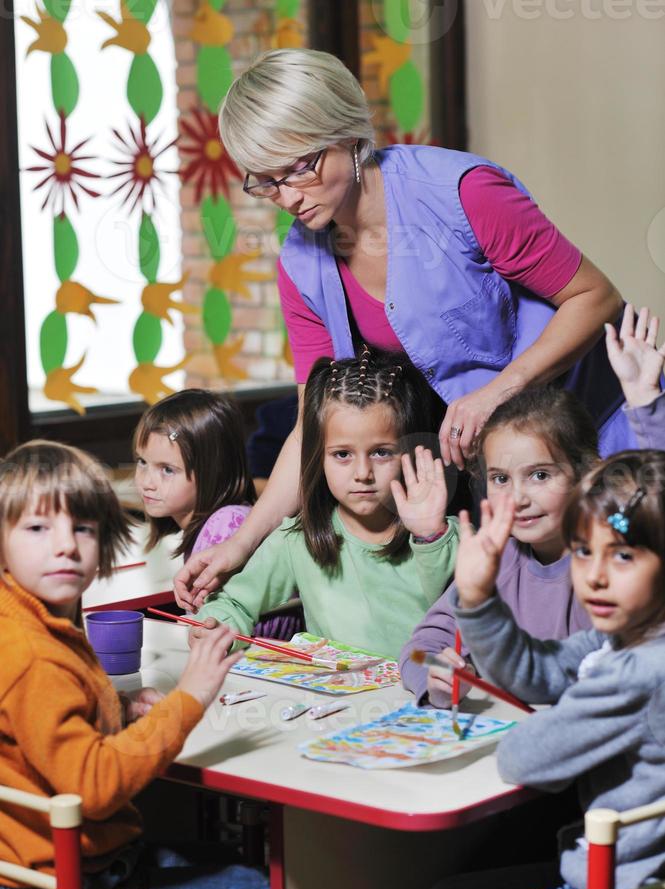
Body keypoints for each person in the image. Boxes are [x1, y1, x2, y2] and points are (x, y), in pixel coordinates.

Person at [175, 46, 625, 611]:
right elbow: (310, 427)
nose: (288, 196)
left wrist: (498, 391)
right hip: (508, 460)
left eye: (300, 167)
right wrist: (240, 545)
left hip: (601, 422)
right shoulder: (301, 261)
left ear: (346, 132)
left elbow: (595, 296)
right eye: (266, 181)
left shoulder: (464, 194)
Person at [376, 448, 665, 889]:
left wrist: (566, 712)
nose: (596, 576)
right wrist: (477, 595)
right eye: (583, 552)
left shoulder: (635, 672)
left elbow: (523, 758)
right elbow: (534, 672)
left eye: (622, 556)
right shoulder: (623, 642)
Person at [0, 440, 270, 889]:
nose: (66, 547)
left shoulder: (21, 621)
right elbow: (95, 787)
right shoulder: (34, 655)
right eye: (38, 529)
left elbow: (40, 725)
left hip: (39, 876)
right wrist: (189, 695)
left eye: (83, 528)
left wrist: (117, 711)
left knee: (234, 861)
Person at [401, 303, 665, 707]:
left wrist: (647, 405)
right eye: (500, 479)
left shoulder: (613, 553)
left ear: (585, 475)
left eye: (540, 475)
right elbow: (420, 645)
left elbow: (658, 501)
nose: (518, 498)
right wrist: (436, 673)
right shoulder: (499, 555)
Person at [196, 351, 459, 660]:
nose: (362, 474)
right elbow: (234, 604)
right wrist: (216, 628)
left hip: (424, 700)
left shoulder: (445, 537)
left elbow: (466, 618)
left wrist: (430, 537)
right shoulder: (296, 540)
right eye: (342, 455)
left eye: (380, 452)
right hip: (333, 706)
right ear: (317, 457)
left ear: (410, 453)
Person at [134, 388, 256, 561]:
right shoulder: (208, 528)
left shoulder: (226, 524)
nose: (147, 483)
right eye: (142, 462)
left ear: (213, 471)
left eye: (167, 469)